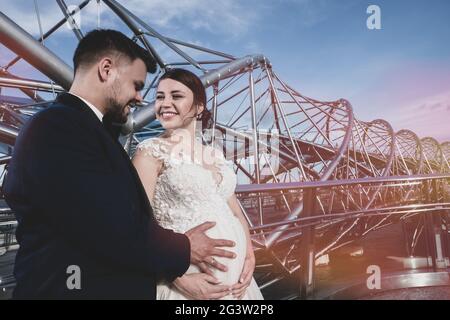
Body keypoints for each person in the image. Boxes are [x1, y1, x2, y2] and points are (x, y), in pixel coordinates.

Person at [3, 29, 235, 299]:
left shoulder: (81, 127)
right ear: (106, 69)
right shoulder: (59, 127)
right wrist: (185, 248)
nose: (140, 98)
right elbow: (109, 225)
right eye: (137, 85)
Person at [132, 68, 263, 300]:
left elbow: (234, 211)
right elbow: (136, 224)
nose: (165, 103)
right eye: (160, 96)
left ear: (198, 107)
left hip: (239, 285)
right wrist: (178, 279)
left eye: (176, 96)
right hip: (188, 285)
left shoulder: (214, 154)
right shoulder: (150, 152)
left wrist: (249, 253)